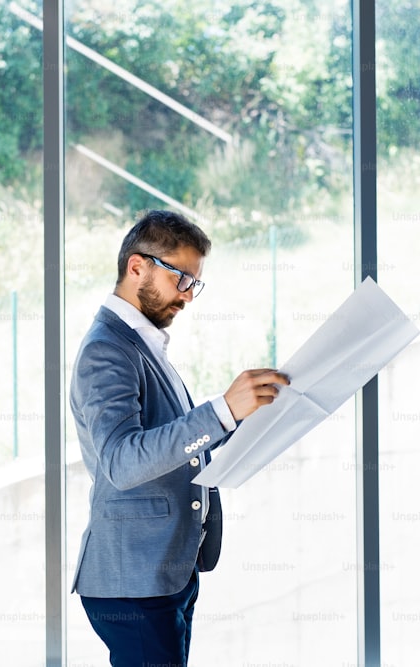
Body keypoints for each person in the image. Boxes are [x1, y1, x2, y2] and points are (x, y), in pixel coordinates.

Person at [69, 209, 289, 667]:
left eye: (195, 282)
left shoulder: (142, 342)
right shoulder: (106, 351)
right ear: (137, 267)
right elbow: (122, 461)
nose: (188, 296)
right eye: (181, 279)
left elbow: (176, 447)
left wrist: (246, 418)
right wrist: (222, 410)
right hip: (134, 582)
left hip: (167, 572)